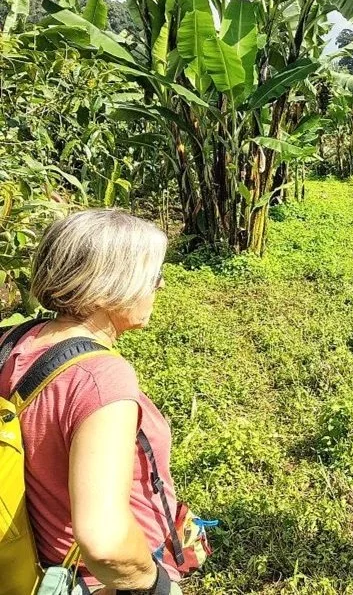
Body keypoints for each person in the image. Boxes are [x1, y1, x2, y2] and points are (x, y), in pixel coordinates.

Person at [0, 209, 184, 594]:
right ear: (107, 288)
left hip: (25, 561)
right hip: (90, 582)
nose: (160, 286)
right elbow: (104, 540)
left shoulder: (12, 341)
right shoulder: (100, 377)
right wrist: (153, 583)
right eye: (153, 276)